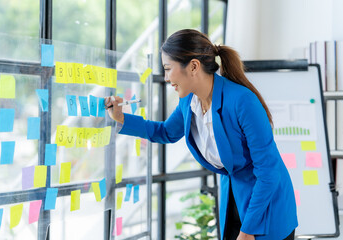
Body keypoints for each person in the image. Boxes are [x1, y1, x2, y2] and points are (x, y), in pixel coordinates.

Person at [105, 29, 298, 240]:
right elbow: (166, 132)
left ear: (194, 66)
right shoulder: (189, 102)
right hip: (233, 198)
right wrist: (122, 118)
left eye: (169, 69)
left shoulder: (242, 102)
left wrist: (247, 231)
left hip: (267, 206)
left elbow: (269, 172)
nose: (167, 78)